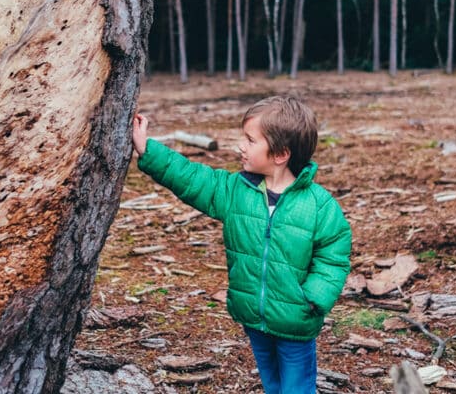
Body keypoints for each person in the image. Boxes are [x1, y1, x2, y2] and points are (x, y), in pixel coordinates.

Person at [132, 95, 352, 394]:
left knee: (297, 388)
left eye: (250, 140)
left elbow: (334, 256)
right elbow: (191, 178)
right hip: (252, 315)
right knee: (272, 384)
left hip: (296, 322)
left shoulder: (318, 205)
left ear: (280, 154)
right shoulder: (237, 191)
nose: (240, 146)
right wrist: (148, 149)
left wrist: (313, 299)